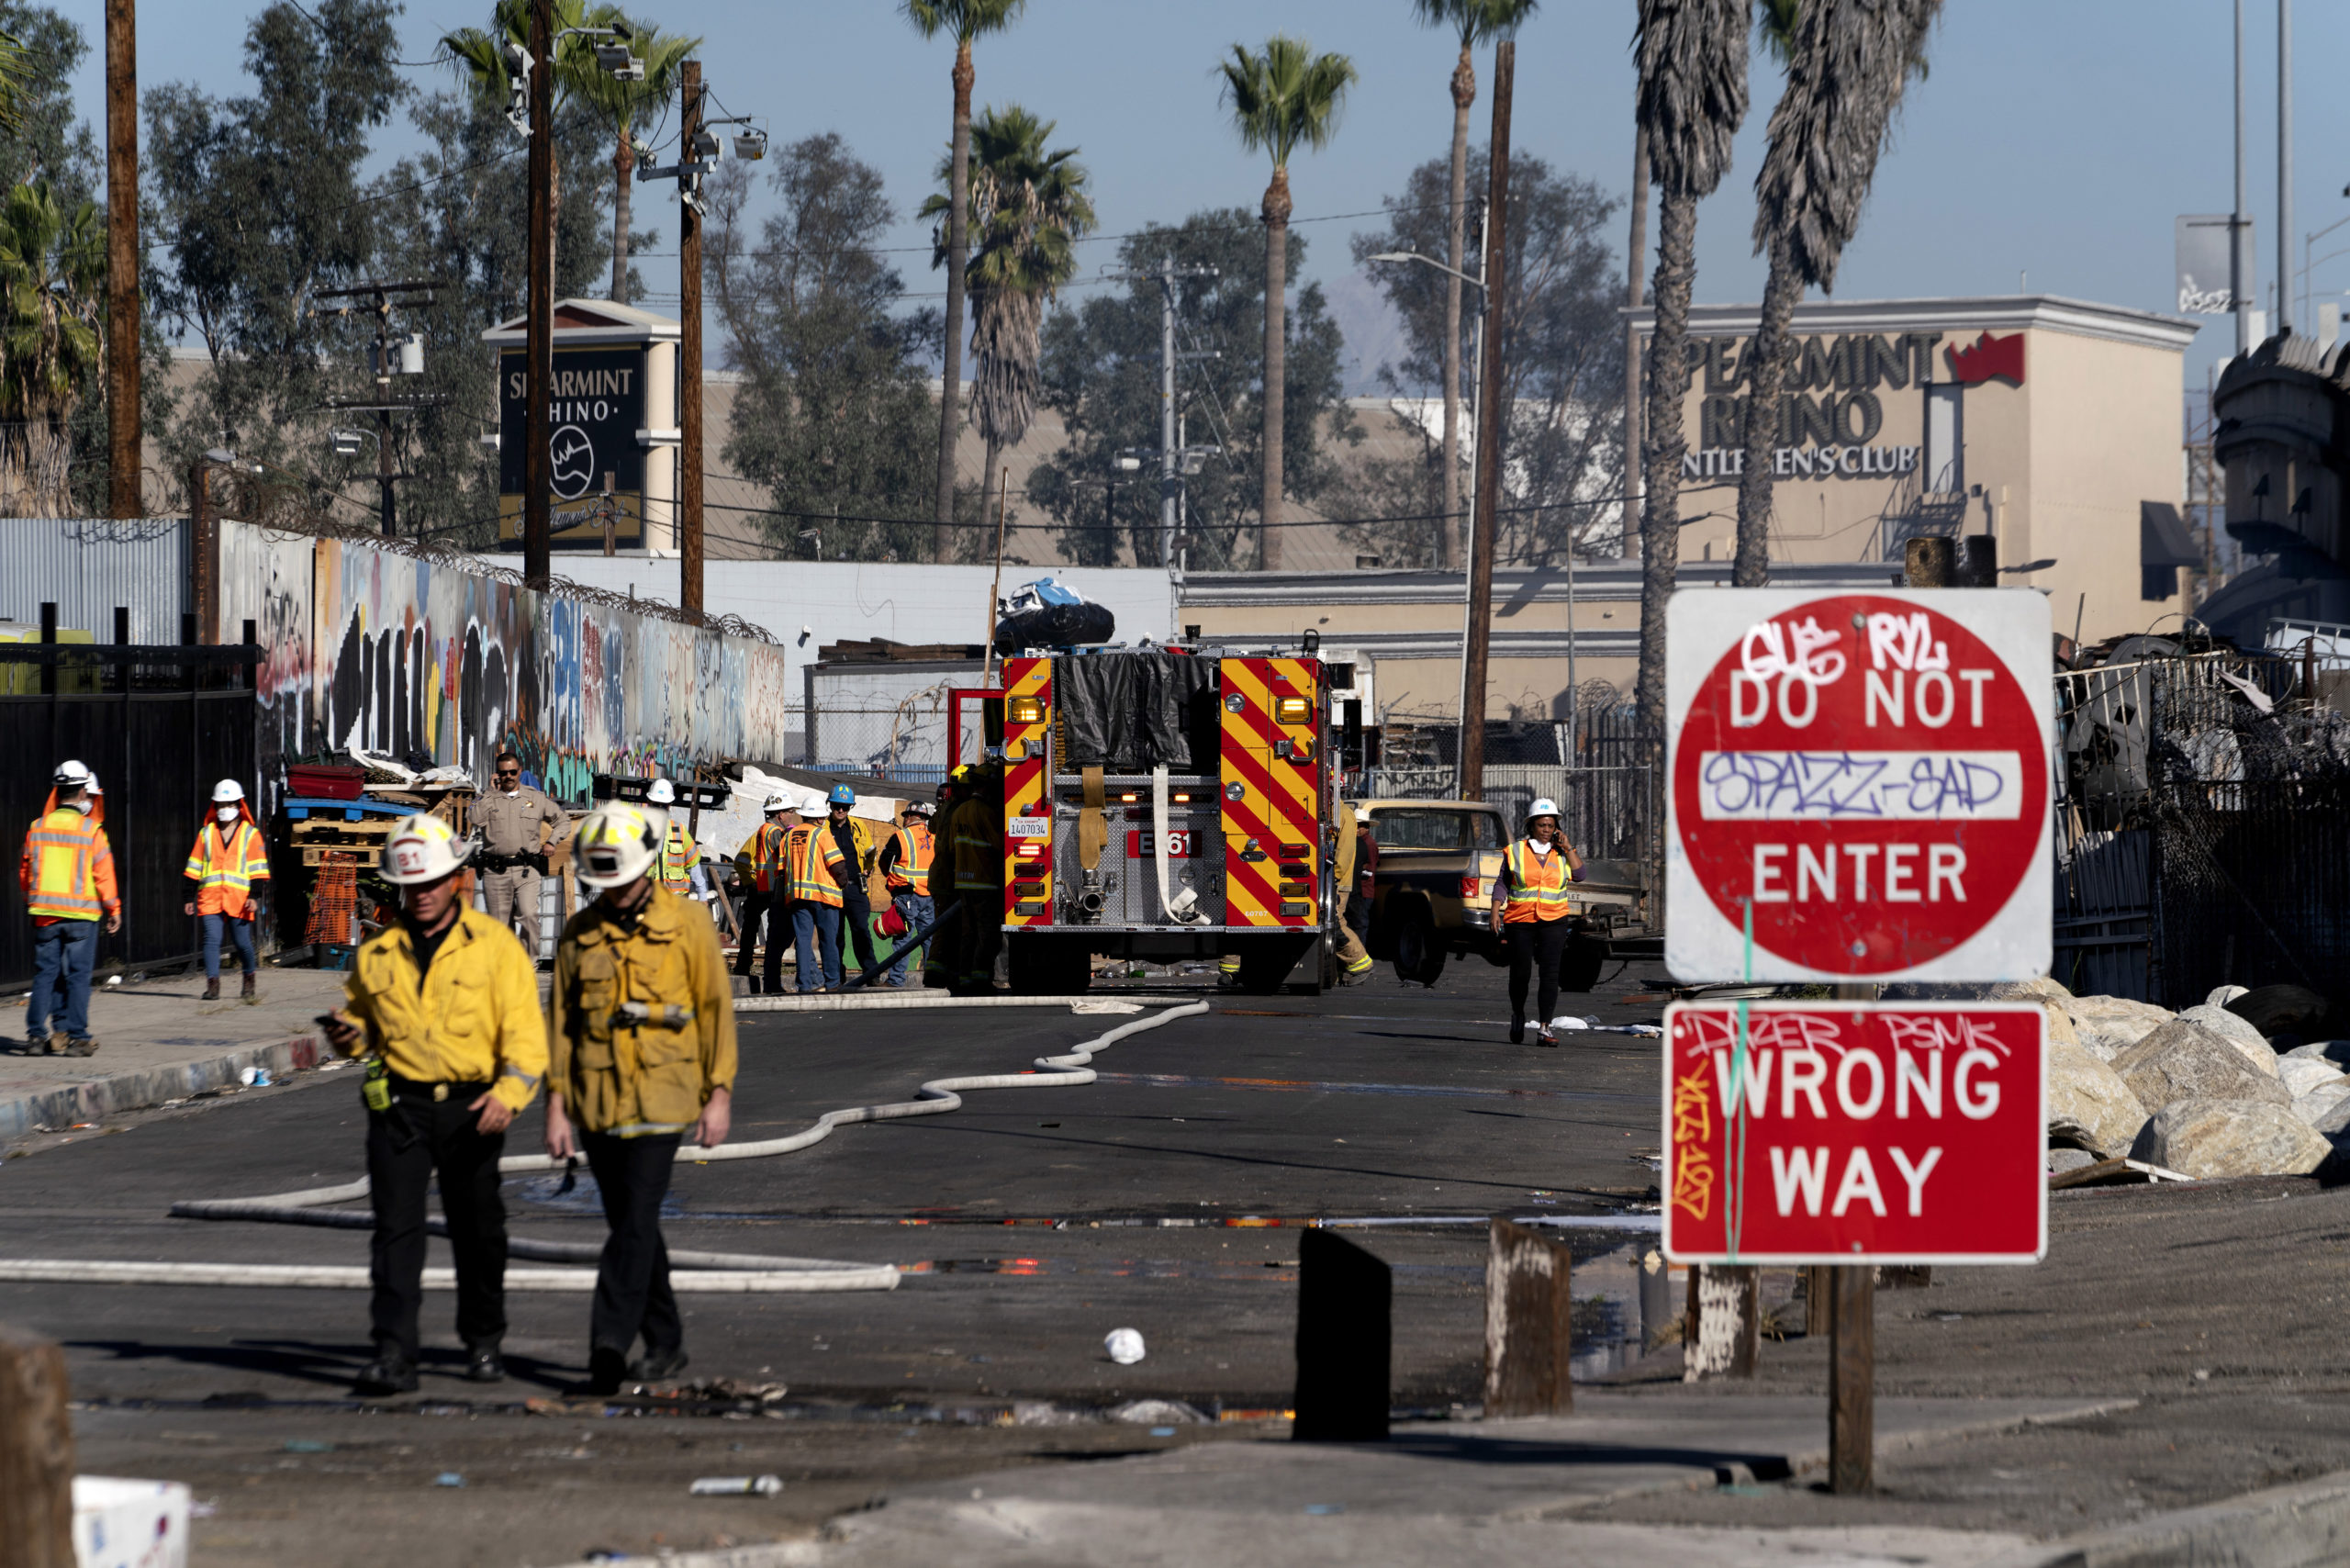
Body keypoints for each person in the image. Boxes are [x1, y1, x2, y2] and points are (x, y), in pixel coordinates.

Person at [319, 814, 544, 1395]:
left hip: (473, 1108)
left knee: (479, 1232)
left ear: (455, 880)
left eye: (430, 883)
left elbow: (525, 1036)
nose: (420, 896)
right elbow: (370, 1030)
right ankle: (395, 1354)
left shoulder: (494, 946)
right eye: (409, 886)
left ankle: (484, 1342)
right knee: (395, 1232)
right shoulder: (378, 955)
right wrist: (350, 1036)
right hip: (399, 1108)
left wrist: (509, 1095)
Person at [544, 801, 736, 1395]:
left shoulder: (688, 924)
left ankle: (607, 1342)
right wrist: (556, 1104)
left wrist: (718, 1093)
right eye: (602, 881)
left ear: (644, 869)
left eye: (620, 879)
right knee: (636, 1223)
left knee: (632, 1223)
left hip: (665, 1094)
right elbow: (562, 1024)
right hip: (598, 1097)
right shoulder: (580, 934)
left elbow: (714, 1011)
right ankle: (667, 1341)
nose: (613, 892)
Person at [20, 760, 120, 1056]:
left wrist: (31, 902)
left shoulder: (37, 827)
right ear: (81, 792)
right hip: (81, 916)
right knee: (78, 977)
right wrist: (114, 909)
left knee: (45, 975)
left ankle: (36, 1037)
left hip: (45, 915)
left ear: (57, 790)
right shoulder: (91, 830)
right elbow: (104, 874)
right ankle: (77, 1038)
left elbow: (25, 872)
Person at [1490, 797, 1584, 1047]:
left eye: (1551, 825)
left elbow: (1580, 874)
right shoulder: (1516, 851)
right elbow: (1503, 881)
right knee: (1521, 973)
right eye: (1542, 825)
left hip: (1554, 920)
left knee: (1550, 974)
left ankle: (1545, 1028)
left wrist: (1569, 847)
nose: (1546, 830)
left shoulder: (1561, 852)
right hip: (1520, 919)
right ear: (1531, 825)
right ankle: (1518, 1014)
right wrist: (1495, 909)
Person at [474, 750, 567, 965]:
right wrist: (489, 791)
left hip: (527, 869)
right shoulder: (488, 798)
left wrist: (552, 841)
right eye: (503, 773)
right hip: (495, 870)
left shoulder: (534, 798)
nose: (508, 776)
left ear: (519, 772)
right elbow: (474, 817)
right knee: (499, 923)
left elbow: (563, 820)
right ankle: (504, 967)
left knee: (528, 915)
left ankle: (528, 965)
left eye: (512, 772)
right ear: (497, 774)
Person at [182, 778, 271, 1002]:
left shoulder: (250, 834)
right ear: (215, 807)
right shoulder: (206, 833)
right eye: (221, 805)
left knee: (242, 944)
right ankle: (213, 986)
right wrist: (188, 897)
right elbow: (194, 865)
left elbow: (258, 869)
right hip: (211, 897)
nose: (225, 809)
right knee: (211, 940)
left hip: (239, 899)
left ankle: (249, 977)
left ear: (239, 805)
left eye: (230, 804)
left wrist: (255, 896)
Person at [944, 762, 1003, 993]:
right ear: (988, 787)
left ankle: (965, 980)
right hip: (984, 883)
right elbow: (999, 844)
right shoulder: (986, 812)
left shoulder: (959, 812)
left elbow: (951, 848)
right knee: (987, 935)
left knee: (967, 934)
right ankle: (981, 981)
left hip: (963, 882)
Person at [732, 794, 794, 993]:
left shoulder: (761, 831)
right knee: (782, 933)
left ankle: (743, 966)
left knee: (750, 928)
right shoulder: (776, 832)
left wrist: (750, 883)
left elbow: (740, 860)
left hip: (759, 888)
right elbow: (789, 858)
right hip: (774, 890)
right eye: (789, 812)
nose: (792, 816)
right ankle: (772, 976)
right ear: (780, 814)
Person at [821, 782, 881, 984]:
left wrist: (868, 868)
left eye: (845, 807)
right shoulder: (822, 829)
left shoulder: (858, 826)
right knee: (835, 935)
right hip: (832, 888)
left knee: (861, 931)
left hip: (855, 886)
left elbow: (870, 850)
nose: (840, 810)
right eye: (837, 805)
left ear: (850, 808)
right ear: (830, 805)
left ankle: (871, 975)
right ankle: (836, 977)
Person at [784, 792, 845, 991]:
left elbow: (780, 869)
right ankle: (833, 983)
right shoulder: (822, 834)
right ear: (820, 817)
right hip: (823, 896)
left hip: (797, 896)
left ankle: (804, 985)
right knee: (828, 940)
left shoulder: (789, 835)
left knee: (802, 941)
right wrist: (844, 883)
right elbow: (837, 865)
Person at [877, 801, 934, 989]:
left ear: (909, 817)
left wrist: (892, 880)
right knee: (930, 940)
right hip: (930, 895)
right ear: (924, 819)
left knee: (902, 939)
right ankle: (934, 979)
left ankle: (896, 980)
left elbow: (885, 863)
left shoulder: (900, 836)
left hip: (907, 895)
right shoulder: (934, 837)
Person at [1328, 801, 1375, 984]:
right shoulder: (1331, 810)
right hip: (1332, 880)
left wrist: (1335, 876)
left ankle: (1360, 962)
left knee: (1335, 923)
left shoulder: (1343, 814)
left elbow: (1344, 851)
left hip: (1338, 882)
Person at [644, 778, 698, 897]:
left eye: (664, 805)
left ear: (669, 806)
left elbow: (694, 866)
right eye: (656, 804)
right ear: (648, 803)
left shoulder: (680, 831)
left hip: (675, 901)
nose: (660, 808)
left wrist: (702, 894)